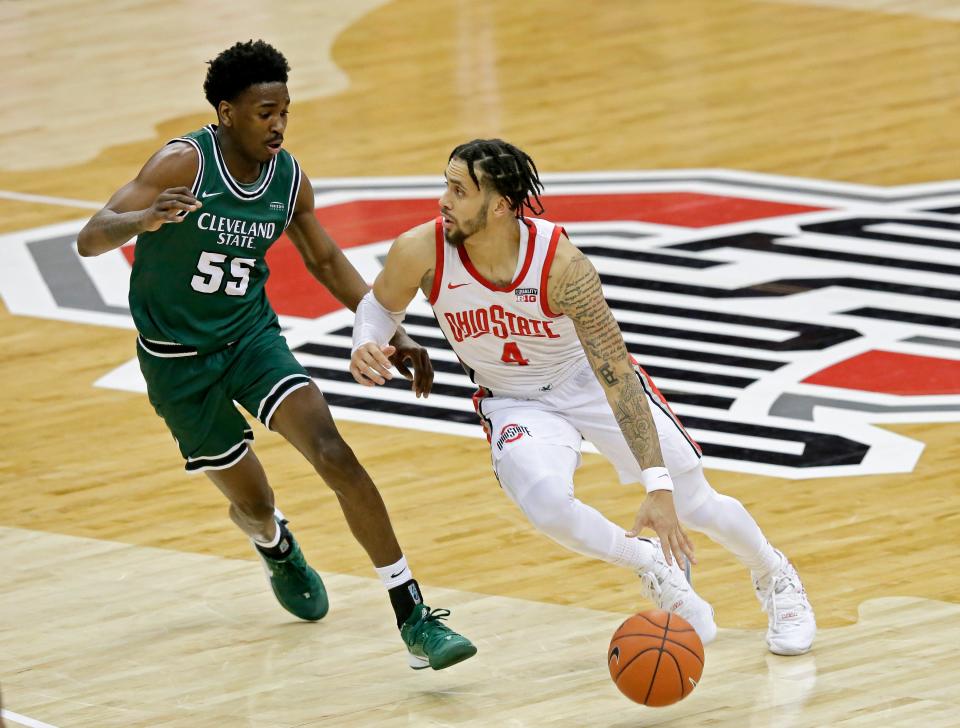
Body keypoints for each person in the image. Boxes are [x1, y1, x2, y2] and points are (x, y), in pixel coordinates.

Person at [76, 40, 475, 671]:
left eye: (285, 110)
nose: (279, 124)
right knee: (254, 502)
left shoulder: (289, 179)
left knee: (332, 451)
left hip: (251, 340)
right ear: (227, 111)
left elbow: (324, 260)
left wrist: (392, 330)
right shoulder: (183, 163)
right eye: (265, 111)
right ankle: (275, 544)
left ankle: (413, 614)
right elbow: (89, 237)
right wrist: (145, 219)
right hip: (176, 359)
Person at [349, 138, 817, 655]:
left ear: (501, 205)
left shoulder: (561, 266)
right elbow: (379, 306)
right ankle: (649, 563)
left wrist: (656, 485)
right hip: (512, 398)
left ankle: (775, 575)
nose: (443, 199)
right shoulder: (421, 249)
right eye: (446, 184)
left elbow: (616, 373)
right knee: (547, 504)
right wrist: (366, 340)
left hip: (586, 381)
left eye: (459, 190)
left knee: (694, 503)